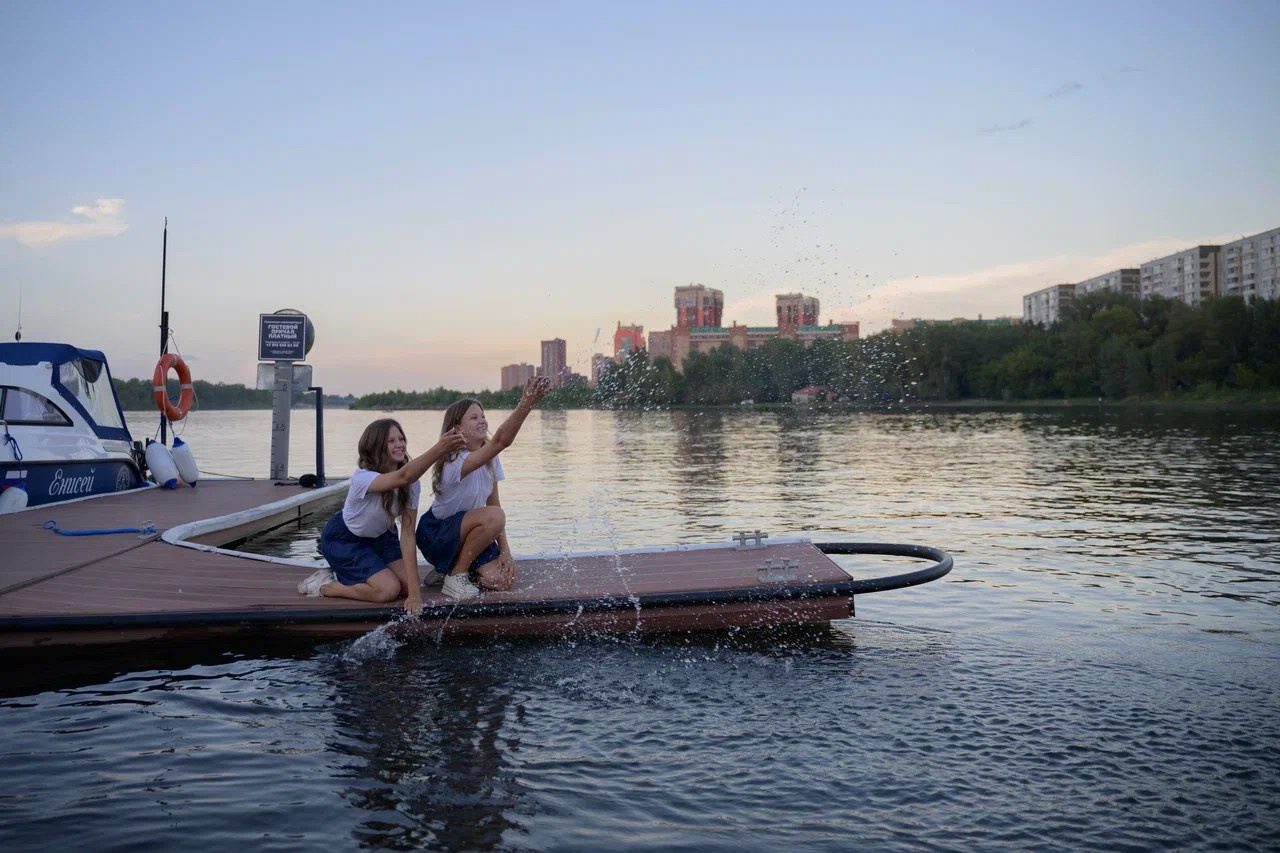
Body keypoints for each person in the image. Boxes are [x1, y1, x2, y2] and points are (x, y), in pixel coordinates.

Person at [298, 419, 464, 614]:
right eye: (391, 441)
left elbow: (408, 533)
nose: (399, 444)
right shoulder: (363, 477)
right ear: (376, 446)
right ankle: (325, 585)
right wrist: (439, 448)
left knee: (406, 587)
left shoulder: (412, 484)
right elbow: (403, 476)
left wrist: (414, 593)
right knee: (388, 590)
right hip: (345, 540)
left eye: (401, 439)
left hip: (383, 538)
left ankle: (357, 573)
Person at [416, 376, 551, 600]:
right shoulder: (453, 461)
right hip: (437, 535)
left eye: (483, 416)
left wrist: (505, 551)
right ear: (457, 428)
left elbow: (494, 503)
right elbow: (501, 441)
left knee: (502, 581)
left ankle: (448, 568)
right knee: (495, 516)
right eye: (474, 417)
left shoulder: (491, 459)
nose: (482, 421)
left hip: (471, 533)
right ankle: (456, 575)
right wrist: (526, 403)